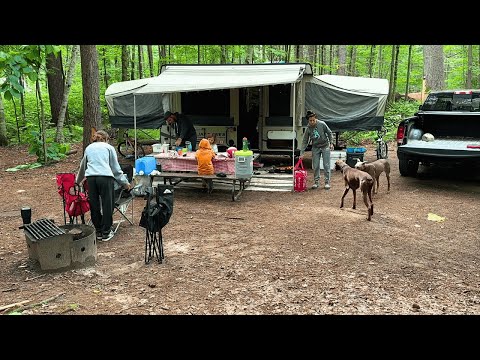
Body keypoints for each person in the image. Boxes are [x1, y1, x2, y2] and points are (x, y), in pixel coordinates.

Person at [76, 130, 131, 241]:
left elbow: (83, 165)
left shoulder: (89, 148)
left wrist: (77, 180)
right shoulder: (109, 148)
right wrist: (125, 183)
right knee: (107, 204)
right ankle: (106, 232)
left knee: (94, 204)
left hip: (91, 178)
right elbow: (115, 168)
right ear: (106, 139)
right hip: (105, 177)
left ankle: (98, 231)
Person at [299, 110, 334, 190]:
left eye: (313, 120)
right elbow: (305, 141)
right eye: (310, 121)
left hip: (325, 146)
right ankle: (316, 182)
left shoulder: (322, 124)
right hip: (315, 147)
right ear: (308, 121)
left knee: (326, 164)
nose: (312, 122)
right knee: (315, 165)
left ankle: (327, 182)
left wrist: (331, 143)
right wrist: (302, 152)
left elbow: (329, 132)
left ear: (316, 119)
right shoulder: (308, 128)